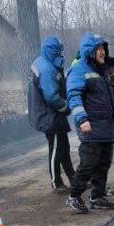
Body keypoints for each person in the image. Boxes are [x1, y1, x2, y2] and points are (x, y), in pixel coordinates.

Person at [66, 33, 114, 214]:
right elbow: (74, 96)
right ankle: (74, 196)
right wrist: (82, 119)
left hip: (106, 126)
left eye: (103, 48)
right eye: (98, 49)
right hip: (91, 127)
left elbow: (108, 95)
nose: (102, 52)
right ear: (89, 51)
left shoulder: (104, 70)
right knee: (88, 164)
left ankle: (97, 197)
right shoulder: (79, 69)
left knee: (103, 163)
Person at [27, 36, 75, 194]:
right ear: (52, 51)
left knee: (64, 147)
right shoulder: (47, 69)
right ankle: (56, 183)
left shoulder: (46, 62)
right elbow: (51, 96)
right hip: (49, 116)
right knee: (56, 149)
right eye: (60, 52)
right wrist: (65, 108)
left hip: (52, 115)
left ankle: (74, 179)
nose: (62, 54)